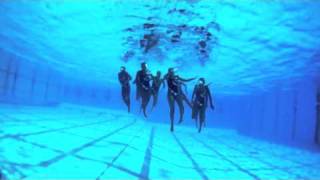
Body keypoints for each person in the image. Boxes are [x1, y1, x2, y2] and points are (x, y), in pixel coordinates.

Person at [165, 68, 196, 132]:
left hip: (178, 93)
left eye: (173, 72)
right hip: (171, 94)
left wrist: (192, 78)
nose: (172, 73)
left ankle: (181, 117)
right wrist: (168, 73)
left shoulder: (177, 77)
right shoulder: (168, 77)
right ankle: (172, 125)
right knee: (172, 109)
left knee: (182, 107)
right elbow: (165, 79)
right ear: (169, 73)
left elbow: (185, 80)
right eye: (171, 72)